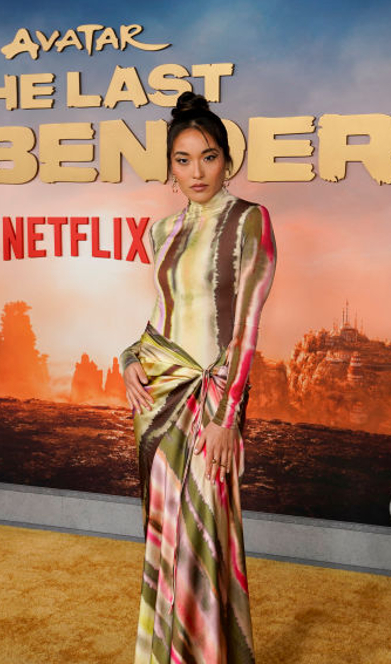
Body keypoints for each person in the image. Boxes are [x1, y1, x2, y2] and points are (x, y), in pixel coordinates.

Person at [120, 91, 277, 664]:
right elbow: (162, 314)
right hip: (157, 398)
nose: (196, 171)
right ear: (170, 168)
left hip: (211, 401)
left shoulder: (249, 220)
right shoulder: (159, 232)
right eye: (183, 160)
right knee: (165, 537)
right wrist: (128, 356)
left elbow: (247, 325)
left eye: (207, 157)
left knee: (208, 537)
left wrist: (227, 416)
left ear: (226, 161)